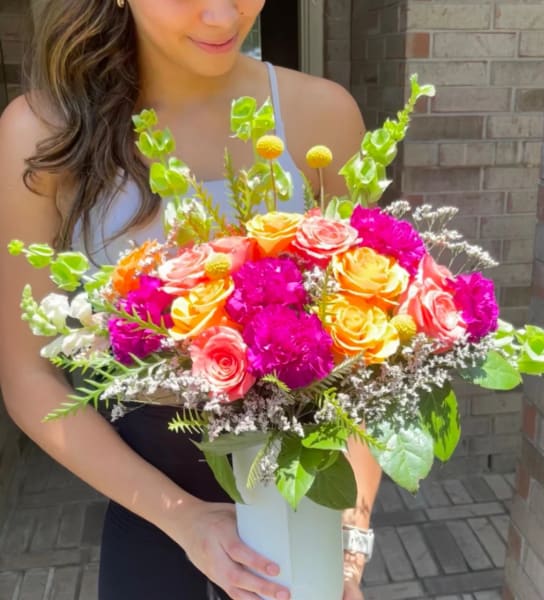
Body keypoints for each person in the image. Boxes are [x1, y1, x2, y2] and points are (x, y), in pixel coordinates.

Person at [0, 1, 382, 599]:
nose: (222, 16)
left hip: (301, 516)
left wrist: (350, 541)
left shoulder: (321, 115)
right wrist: (184, 519)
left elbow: (372, 348)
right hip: (151, 513)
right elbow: (29, 375)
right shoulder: (42, 134)